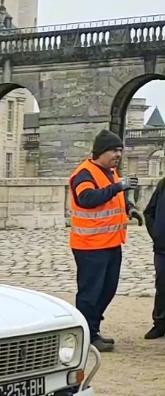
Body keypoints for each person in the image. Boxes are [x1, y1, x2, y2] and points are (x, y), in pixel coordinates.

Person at [68, 130, 143, 353]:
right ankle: (87, 336)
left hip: (111, 243)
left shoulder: (111, 172)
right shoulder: (84, 174)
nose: (118, 154)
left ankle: (93, 330)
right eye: (113, 150)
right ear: (100, 152)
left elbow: (115, 200)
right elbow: (87, 199)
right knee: (91, 293)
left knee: (107, 290)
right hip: (90, 245)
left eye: (120, 150)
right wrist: (118, 186)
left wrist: (129, 207)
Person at [142, 172, 165, 340]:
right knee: (162, 285)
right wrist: (156, 234)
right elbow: (149, 212)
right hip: (163, 247)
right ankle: (160, 324)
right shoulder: (163, 185)